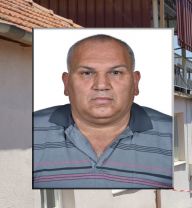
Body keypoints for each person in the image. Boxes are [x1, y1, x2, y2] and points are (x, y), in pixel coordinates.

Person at [33, 34, 173, 189]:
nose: (101, 85)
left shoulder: (172, 134)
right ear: (66, 83)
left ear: (135, 82)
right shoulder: (27, 132)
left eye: (115, 73)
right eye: (87, 73)